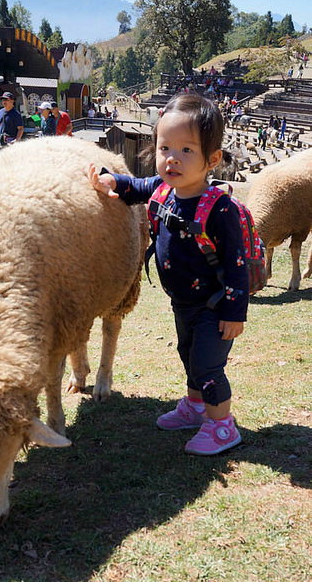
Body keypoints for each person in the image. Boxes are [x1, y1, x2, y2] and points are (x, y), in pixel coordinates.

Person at [88, 93, 248, 456]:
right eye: (164, 148)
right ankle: (195, 407)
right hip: (184, 302)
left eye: (187, 150)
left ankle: (223, 427)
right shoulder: (163, 190)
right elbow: (133, 188)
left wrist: (234, 313)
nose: (171, 158)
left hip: (215, 305)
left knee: (208, 366)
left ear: (213, 160)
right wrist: (110, 181)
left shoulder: (219, 209)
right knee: (189, 355)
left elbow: (237, 263)